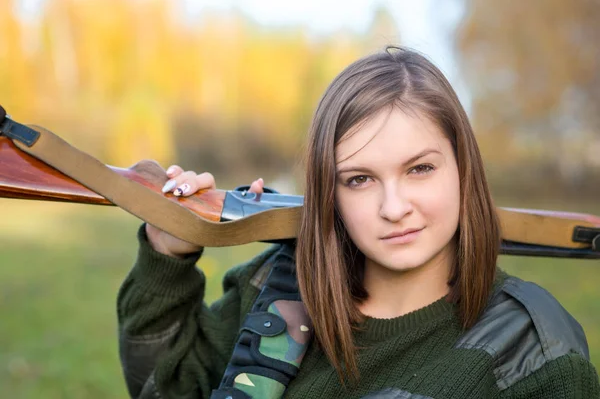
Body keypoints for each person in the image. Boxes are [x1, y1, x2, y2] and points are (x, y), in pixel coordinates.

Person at [117, 46, 600, 399]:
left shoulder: (535, 351)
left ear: (464, 170)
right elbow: (166, 389)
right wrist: (166, 252)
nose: (394, 207)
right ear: (330, 191)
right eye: (360, 179)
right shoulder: (281, 286)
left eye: (420, 169)